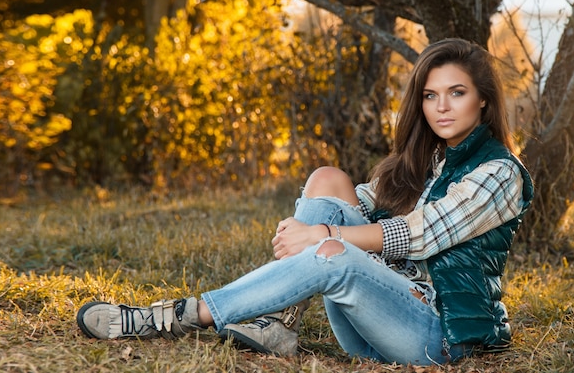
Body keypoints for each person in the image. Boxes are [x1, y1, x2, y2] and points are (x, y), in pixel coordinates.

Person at [76, 38, 534, 366]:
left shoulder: (499, 173)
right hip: (379, 316)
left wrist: (323, 236)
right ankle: (276, 322)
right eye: (431, 96)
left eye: (457, 93)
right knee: (327, 179)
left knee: (331, 251)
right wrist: (314, 222)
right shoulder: (428, 158)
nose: (442, 107)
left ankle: (177, 315)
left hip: (438, 336)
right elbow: (364, 202)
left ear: (484, 102)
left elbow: (421, 234)